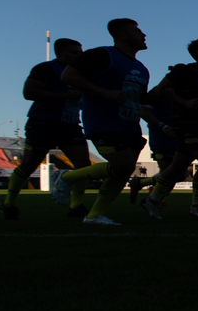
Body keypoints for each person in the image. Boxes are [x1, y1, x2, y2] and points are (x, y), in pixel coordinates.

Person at [50, 19, 151, 225]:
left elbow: (140, 100)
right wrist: (103, 92)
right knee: (121, 166)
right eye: (137, 31)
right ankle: (67, 178)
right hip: (104, 122)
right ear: (121, 35)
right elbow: (68, 76)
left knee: (122, 171)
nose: (143, 35)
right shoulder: (103, 55)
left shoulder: (141, 68)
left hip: (130, 124)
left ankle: (94, 215)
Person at [136, 39, 198, 220]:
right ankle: (196, 205)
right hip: (187, 124)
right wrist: (183, 102)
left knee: (176, 169)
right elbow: (158, 92)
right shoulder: (184, 71)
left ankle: (152, 200)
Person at [2, 38, 91, 220]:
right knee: (28, 165)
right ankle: (8, 203)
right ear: (61, 53)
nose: (79, 56)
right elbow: (29, 93)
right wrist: (66, 96)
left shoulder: (81, 73)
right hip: (42, 124)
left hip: (70, 125)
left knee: (83, 165)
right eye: (75, 52)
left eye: (81, 52)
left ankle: (76, 206)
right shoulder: (46, 68)